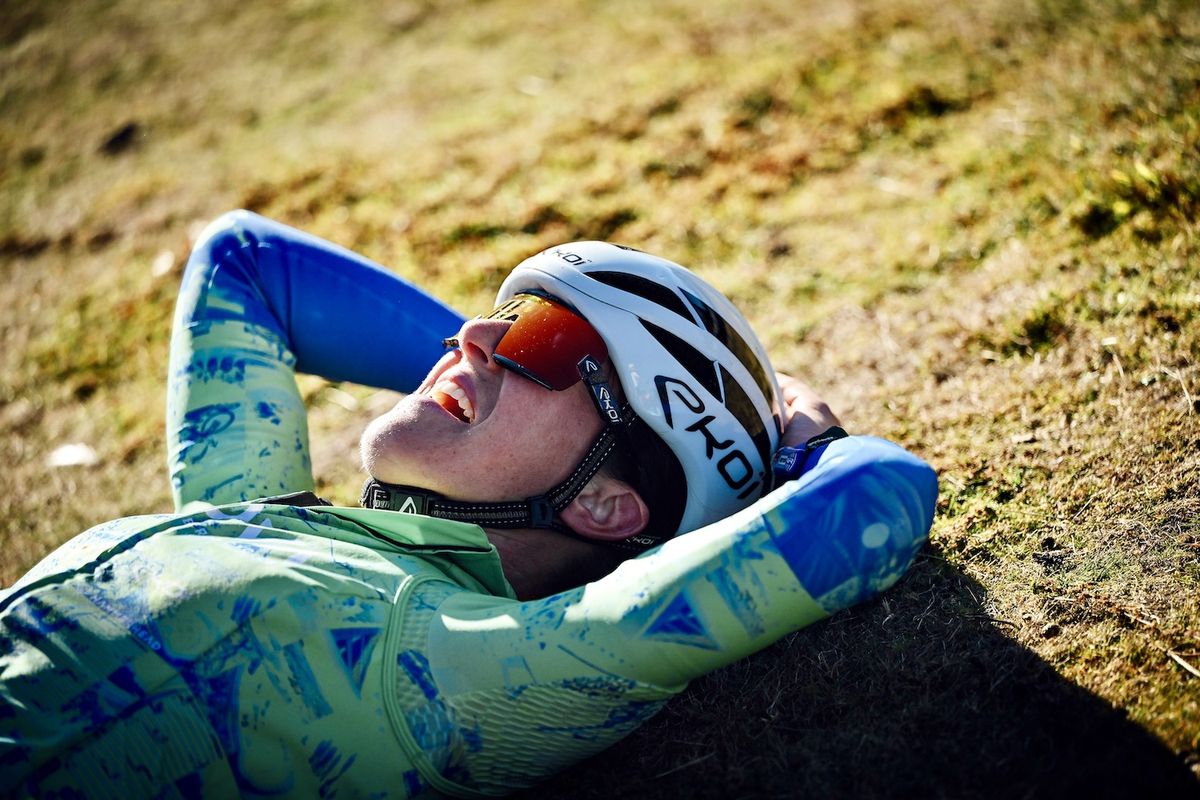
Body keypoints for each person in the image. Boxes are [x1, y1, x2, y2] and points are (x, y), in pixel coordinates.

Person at [0, 211, 937, 798]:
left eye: (545, 338)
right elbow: (246, 263)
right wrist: (495, 380)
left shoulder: (454, 668)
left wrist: (801, 450)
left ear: (611, 508)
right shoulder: (262, 516)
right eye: (510, 312)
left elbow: (877, 502)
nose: (469, 332)